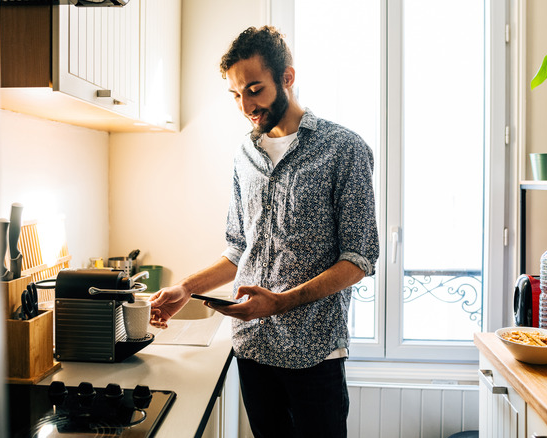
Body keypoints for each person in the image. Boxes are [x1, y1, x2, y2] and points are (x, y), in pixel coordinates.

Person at [149, 25, 378, 438]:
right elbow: (239, 248)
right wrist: (186, 287)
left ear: (286, 78)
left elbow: (359, 259)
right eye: (236, 95)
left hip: (314, 353)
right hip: (252, 348)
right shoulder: (244, 155)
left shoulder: (345, 149)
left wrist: (280, 302)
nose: (245, 106)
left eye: (254, 90)